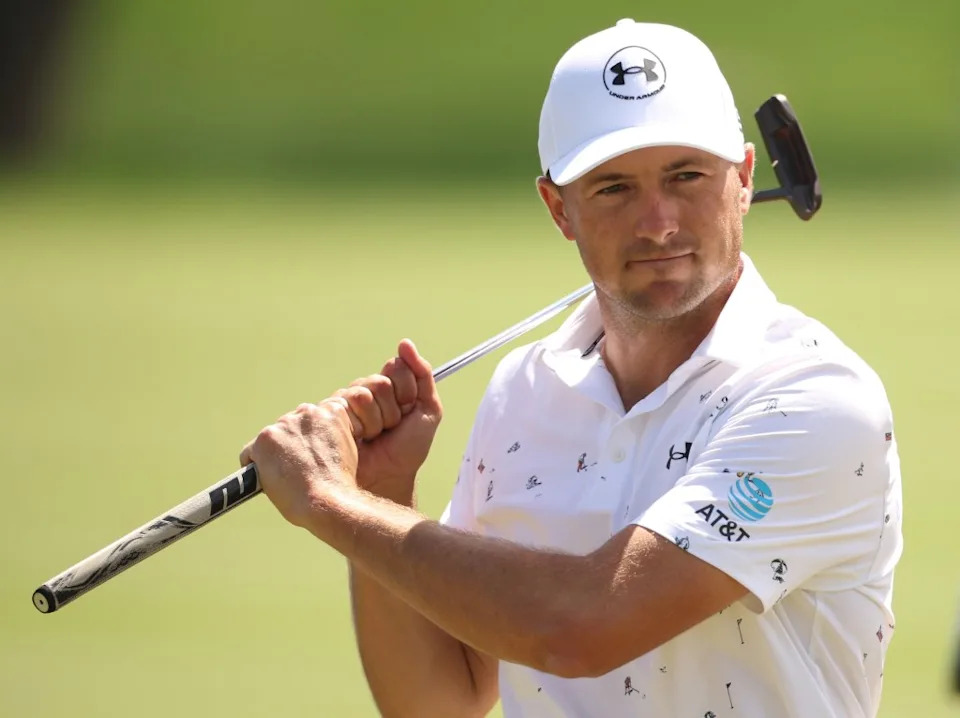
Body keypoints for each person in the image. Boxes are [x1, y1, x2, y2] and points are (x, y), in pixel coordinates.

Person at [240, 19, 903, 717]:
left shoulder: (816, 399)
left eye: (686, 176)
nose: (658, 223)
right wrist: (383, 491)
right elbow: (438, 700)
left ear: (743, 179)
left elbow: (582, 628)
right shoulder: (524, 392)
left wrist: (331, 503)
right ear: (560, 208)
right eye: (614, 188)